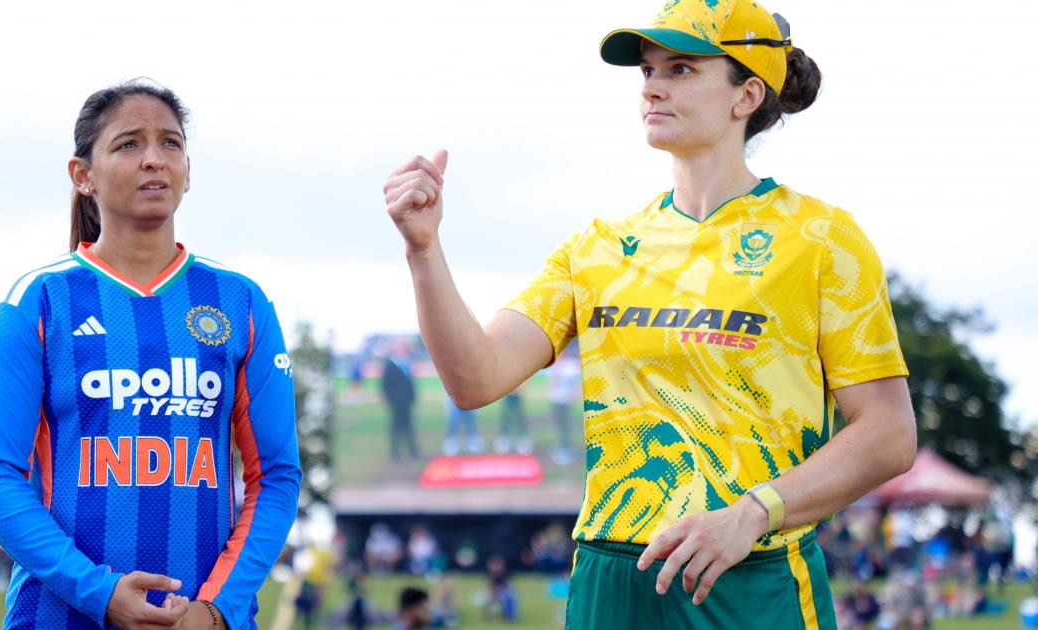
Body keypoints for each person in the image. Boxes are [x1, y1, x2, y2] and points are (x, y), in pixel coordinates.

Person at [382, 0, 917, 627]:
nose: (652, 88)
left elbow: (888, 434)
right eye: (647, 71)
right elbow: (474, 379)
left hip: (749, 579)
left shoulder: (822, 239)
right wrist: (423, 249)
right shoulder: (599, 248)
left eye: (681, 69)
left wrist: (753, 513)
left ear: (746, 95)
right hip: (609, 580)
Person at [0, 80, 302, 629]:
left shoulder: (242, 302)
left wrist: (215, 610)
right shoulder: (36, 301)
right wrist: (101, 594)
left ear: (188, 171)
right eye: (129, 144)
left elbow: (277, 477)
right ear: (83, 175)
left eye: (170, 143)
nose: (154, 158)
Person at [381, 339, 419, 461]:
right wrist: (390, 400)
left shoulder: (406, 364)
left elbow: (410, 384)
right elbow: (385, 385)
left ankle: (413, 451)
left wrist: (413, 397)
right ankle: (396, 453)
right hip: (396, 402)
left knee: (409, 427)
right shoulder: (390, 365)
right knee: (396, 428)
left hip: (406, 401)